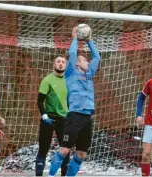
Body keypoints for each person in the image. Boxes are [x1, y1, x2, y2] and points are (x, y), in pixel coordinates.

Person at [49, 27, 101, 177]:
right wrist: (74, 39)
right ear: (78, 63)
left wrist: (89, 41)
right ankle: (51, 175)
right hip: (74, 116)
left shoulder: (89, 74)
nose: (88, 62)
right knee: (65, 150)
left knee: (81, 154)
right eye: (85, 60)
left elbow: (97, 57)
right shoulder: (71, 73)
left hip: (87, 118)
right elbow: (72, 53)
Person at [36, 56, 70, 176]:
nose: (61, 64)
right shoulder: (47, 80)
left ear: (66, 65)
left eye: (63, 62)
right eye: (58, 61)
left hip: (64, 120)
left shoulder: (69, 80)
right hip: (49, 119)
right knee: (43, 149)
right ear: (54, 64)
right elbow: (40, 101)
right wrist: (44, 116)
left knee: (65, 149)